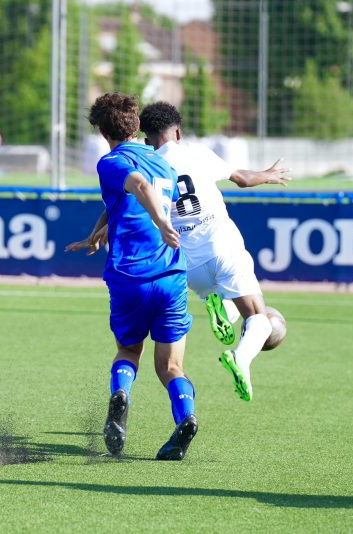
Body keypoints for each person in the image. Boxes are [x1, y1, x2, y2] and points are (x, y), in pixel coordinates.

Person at [70, 102, 290, 403]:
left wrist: (98, 232)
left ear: (146, 137)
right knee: (259, 316)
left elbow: (129, 202)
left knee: (209, 291)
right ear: (178, 131)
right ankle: (241, 358)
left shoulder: (149, 162)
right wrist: (268, 174)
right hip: (220, 243)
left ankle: (220, 307)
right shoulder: (196, 153)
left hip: (184, 260)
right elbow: (241, 179)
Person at [70, 93, 198, 461]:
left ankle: (121, 394)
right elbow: (122, 201)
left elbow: (137, 188)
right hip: (171, 274)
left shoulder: (110, 162)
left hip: (130, 277)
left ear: (100, 130)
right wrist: (100, 229)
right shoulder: (164, 165)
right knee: (172, 365)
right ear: (137, 126)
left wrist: (160, 223)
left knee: (129, 350)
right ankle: (186, 417)